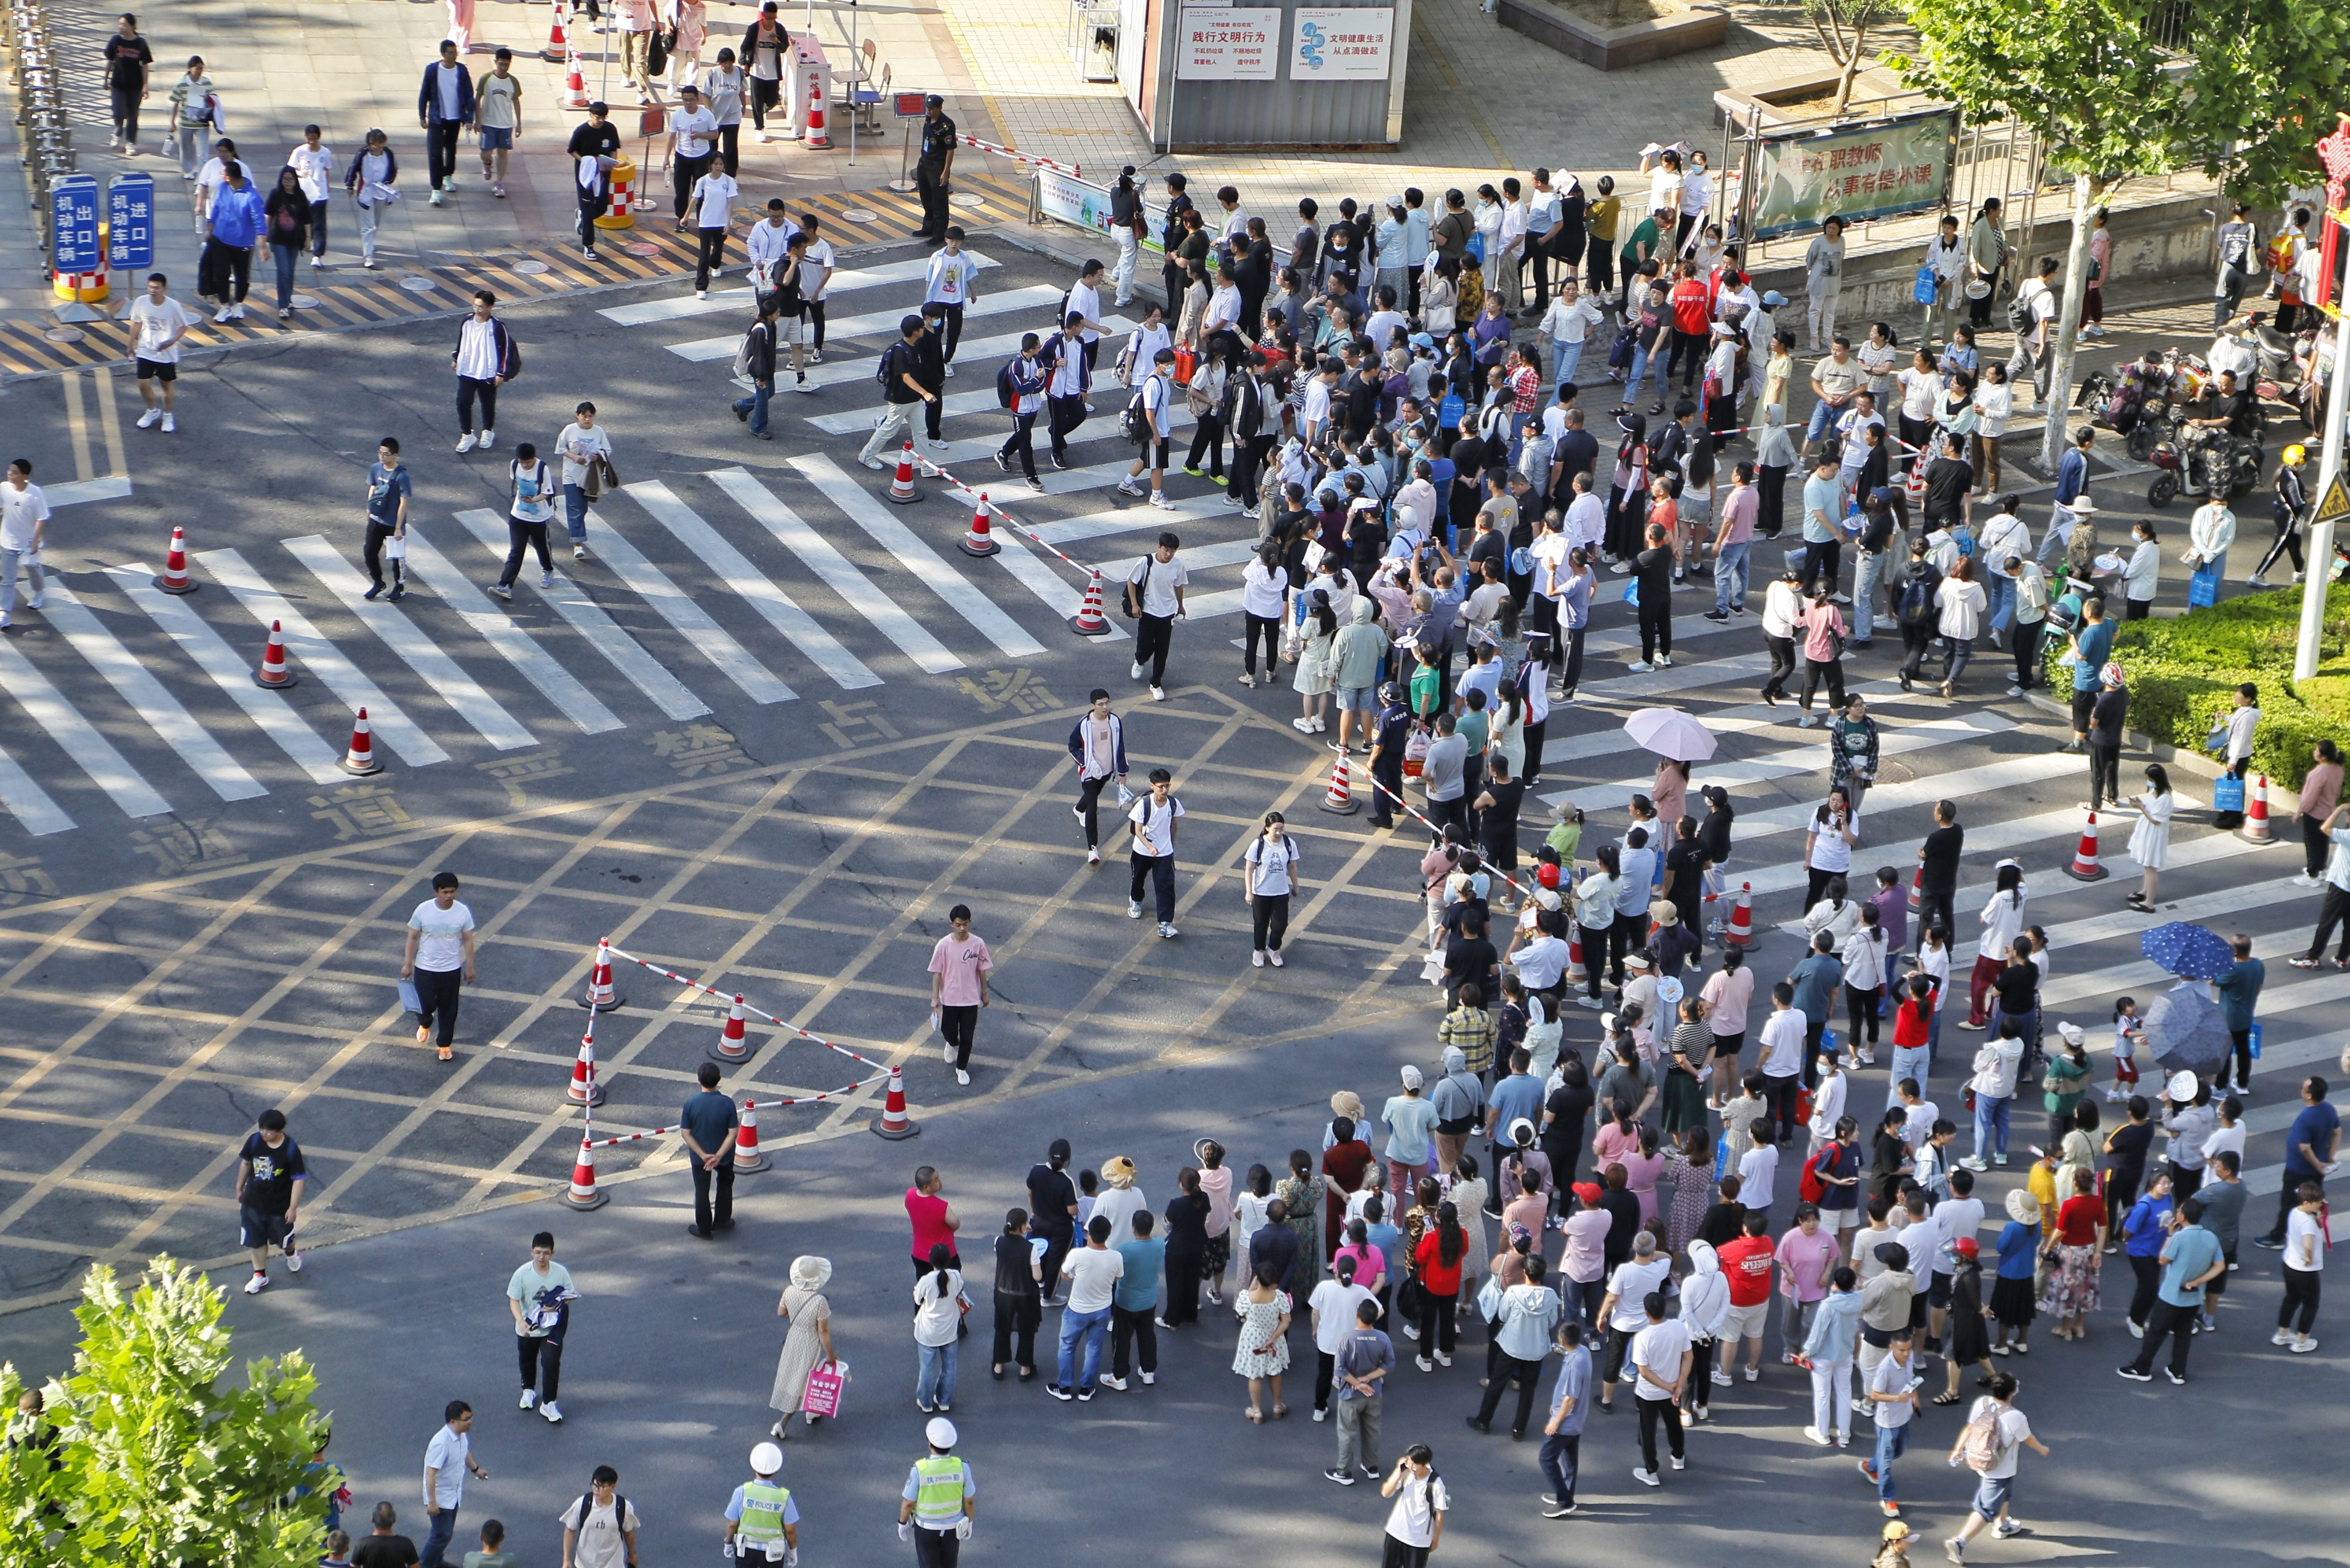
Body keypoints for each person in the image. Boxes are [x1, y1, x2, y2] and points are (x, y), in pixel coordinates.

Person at [1943, 1370, 2052, 1565]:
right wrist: (2042, 1449)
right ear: (2013, 1392)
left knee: (2005, 1492)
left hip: (1980, 1460)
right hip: (1999, 1469)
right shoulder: (2016, 1417)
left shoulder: (1982, 1403)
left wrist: (1957, 1449)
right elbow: (2028, 1439)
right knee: (1986, 1508)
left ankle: (2002, 1525)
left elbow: (1969, 1428)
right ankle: (1960, 1542)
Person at [231, 1106, 306, 1295]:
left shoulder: (290, 1149)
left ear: (279, 1131)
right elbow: (246, 1163)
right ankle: (260, 1275)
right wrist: (239, 1187)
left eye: (269, 1131)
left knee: (285, 1239)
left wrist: (292, 1207)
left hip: (279, 1205)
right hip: (254, 1202)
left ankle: (291, 1253)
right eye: (262, 1129)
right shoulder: (255, 1141)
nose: (264, 1134)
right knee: (255, 1240)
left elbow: (298, 1179)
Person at [401, 871, 475, 1060]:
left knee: (449, 1009)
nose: (449, 896)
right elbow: (412, 937)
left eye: (452, 892)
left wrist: (470, 966)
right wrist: (408, 964)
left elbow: (468, 940)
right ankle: (425, 1023)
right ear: (436, 892)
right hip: (425, 968)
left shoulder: (462, 912)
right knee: (425, 1005)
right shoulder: (423, 910)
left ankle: (444, 1044)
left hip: (451, 969)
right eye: (445, 892)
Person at [1052, 1214, 1123, 1401]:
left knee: (1067, 1346)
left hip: (1077, 1309)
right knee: (1094, 1349)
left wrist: (1077, 1278)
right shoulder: (1116, 1257)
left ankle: (1064, 1387)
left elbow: (1065, 1273)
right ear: (1109, 1235)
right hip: (1102, 1311)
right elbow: (1116, 1278)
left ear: (1089, 1234)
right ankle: (1086, 1388)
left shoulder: (1077, 1254)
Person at [508, 1230, 573, 1423]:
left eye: (545, 1253)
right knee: (527, 1361)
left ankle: (549, 1403)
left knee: (552, 1363)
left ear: (552, 1253)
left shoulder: (560, 1272)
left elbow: (569, 1295)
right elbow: (514, 1301)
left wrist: (556, 1306)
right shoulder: (522, 1274)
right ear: (531, 1252)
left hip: (552, 1329)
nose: (541, 1257)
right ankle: (528, 1390)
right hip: (528, 1329)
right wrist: (521, 1322)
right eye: (538, 1252)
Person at [925, 903, 992, 1088]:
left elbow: (982, 970)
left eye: (965, 924)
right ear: (951, 925)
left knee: (968, 1036)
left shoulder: (978, 944)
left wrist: (984, 993)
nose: (962, 928)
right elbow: (937, 972)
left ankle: (961, 1067)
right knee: (949, 1031)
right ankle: (951, 1043)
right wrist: (935, 998)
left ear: (970, 922)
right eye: (958, 924)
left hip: (971, 998)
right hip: (950, 998)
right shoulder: (944, 945)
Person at [769, 1255, 836, 1438]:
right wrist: (830, 1354)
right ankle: (783, 1423)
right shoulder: (819, 1301)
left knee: (793, 1374)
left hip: (794, 1338)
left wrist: (798, 1321)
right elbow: (823, 1331)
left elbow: (781, 1312)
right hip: (809, 1342)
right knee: (804, 1380)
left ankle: (811, 1410)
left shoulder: (790, 1291)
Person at [897, 1416, 975, 1567]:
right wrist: (970, 1522)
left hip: (926, 1530)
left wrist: (903, 1523)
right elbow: (969, 1501)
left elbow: (908, 1503)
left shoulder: (920, 1469)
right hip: (954, 1529)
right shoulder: (962, 1467)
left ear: (930, 1445)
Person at [418, 1402, 484, 1568]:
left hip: (453, 1495)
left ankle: (437, 1560)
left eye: (471, 1418)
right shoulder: (441, 1443)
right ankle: (425, 1564)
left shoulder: (461, 1436)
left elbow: (465, 1453)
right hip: (441, 1498)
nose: (470, 1422)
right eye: (466, 1419)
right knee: (442, 1534)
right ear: (453, 1421)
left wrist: (476, 1470)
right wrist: (433, 1502)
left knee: (446, 1533)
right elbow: (430, 1473)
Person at [678, 1061, 740, 1238]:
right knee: (726, 1183)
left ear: (699, 1080)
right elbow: (733, 1133)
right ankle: (722, 1220)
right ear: (719, 1080)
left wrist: (703, 1155)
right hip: (725, 1156)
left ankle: (704, 1230)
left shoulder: (691, 1104)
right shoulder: (727, 1103)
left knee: (702, 1191)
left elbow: (686, 1134)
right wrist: (719, 1156)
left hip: (700, 1159)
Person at [1124, 532, 1187, 701]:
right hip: (1149, 612)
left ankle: (1156, 683)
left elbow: (1179, 586)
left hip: (1168, 614)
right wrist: (1135, 605)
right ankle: (1140, 660)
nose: (1169, 554)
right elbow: (1132, 582)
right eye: (1166, 550)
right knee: (1145, 646)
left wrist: (1180, 606)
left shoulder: (1178, 565)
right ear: (1159, 547)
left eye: (1173, 551)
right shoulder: (1147, 562)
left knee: (1162, 650)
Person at [1126, 766, 1185, 939]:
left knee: (1166, 887)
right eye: (1161, 786)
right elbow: (1137, 831)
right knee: (1138, 879)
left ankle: (1165, 924)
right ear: (1153, 786)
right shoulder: (1144, 805)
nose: (1165, 790)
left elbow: (1174, 825)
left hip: (1164, 853)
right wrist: (1150, 848)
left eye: (1167, 786)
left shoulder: (1173, 804)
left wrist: (1170, 845)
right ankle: (1136, 901)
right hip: (1143, 851)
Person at [417, 40, 474, 206]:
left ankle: (448, 175)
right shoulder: (433, 70)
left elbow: (469, 94)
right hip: (437, 117)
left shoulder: (461, 70)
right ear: (443, 54)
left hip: (455, 117)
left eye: (455, 52)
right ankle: (436, 189)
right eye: (450, 52)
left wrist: (469, 118)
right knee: (435, 153)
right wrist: (422, 115)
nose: (454, 55)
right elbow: (425, 92)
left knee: (450, 148)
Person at [722, 1444, 798, 1567]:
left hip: (746, 1551)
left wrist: (729, 1543)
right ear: (776, 1469)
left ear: (754, 1467)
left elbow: (732, 1524)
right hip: (773, 1554)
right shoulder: (784, 1496)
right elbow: (790, 1530)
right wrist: (792, 1550)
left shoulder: (742, 1492)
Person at [2275, 1180, 2326, 1353]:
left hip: (2289, 1263)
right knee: (2311, 1303)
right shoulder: (2308, 1224)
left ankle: (2282, 1334)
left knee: (2292, 1298)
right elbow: (2309, 1244)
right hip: (2305, 1270)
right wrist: (2309, 1257)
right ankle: (2302, 1340)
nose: (2322, 1205)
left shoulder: (2295, 1212)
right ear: (2307, 1203)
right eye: (2318, 1203)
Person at [2124, 764, 2174, 913]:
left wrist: (2141, 807)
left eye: (2151, 779)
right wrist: (2142, 805)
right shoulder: (2155, 791)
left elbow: (2156, 820)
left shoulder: (2165, 798)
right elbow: (2151, 810)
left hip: (2154, 833)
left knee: (2151, 867)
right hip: (2148, 831)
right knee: (2147, 865)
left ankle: (2149, 903)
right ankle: (2145, 892)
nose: (2149, 782)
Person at [911, 94, 956, 240]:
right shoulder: (928, 119)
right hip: (924, 162)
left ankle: (939, 233)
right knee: (926, 198)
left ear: (939, 108)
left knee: (939, 202)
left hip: (937, 166)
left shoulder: (947, 125)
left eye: (931, 108)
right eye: (927, 108)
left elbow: (950, 150)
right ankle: (928, 227)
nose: (928, 111)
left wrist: (945, 172)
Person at [353, 1503, 420, 1568]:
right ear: (394, 1520)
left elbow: (353, 1567)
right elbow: (415, 1567)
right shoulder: (406, 1543)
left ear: (373, 1519)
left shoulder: (362, 1544)